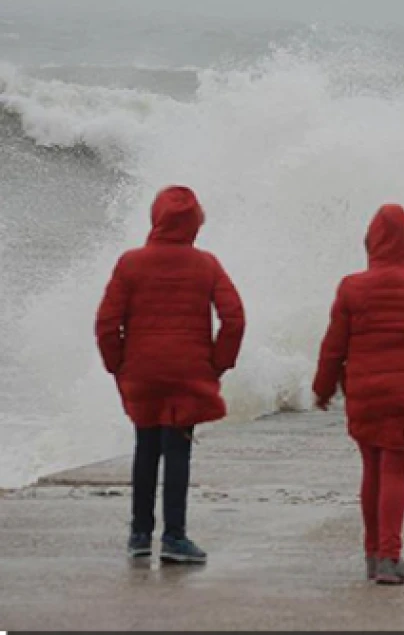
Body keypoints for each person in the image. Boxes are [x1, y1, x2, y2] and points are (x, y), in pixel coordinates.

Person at [95, 185, 245, 564]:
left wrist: (118, 364)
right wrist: (218, 363)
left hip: (142, 371)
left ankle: (139, 534)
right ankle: (175, 537)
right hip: (189, 370)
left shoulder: (130, 263)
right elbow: (234, 318)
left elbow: (107, 323)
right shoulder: (206, 264)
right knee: (177, 449)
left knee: (145, 447)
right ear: (194, 223)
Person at [312, 203, 404, 586]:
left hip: (366, 394)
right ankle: (390, 556)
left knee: (371, 468)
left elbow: (333, 347)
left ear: (370, 242)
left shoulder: (352, 287)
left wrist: (322, 388)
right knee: (395, 469)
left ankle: (374, 555)